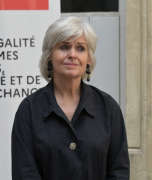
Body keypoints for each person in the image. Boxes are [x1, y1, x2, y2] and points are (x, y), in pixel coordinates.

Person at [11, 16, 130, 180]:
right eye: (64, 47)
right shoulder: (29, 110)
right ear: (49, 56)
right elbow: (24, 173)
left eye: (80, 48)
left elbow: (119, 172)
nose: (72, 54)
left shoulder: (108, 108)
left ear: (88, 59)